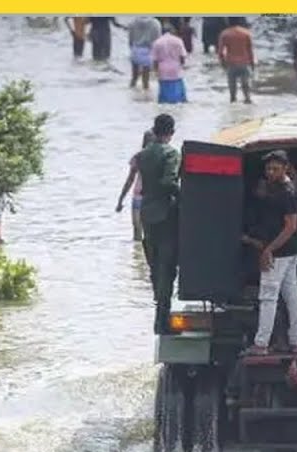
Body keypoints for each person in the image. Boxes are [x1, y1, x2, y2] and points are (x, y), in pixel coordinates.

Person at [242, 150, 297, 355]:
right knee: (291, 294)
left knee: (268, 296)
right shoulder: (279, 188)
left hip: (280, 252)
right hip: (289, 250)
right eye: (268, 168)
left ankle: (261, 343)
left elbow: (291, 226)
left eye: (275, 168)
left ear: (286, 168)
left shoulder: (287, 192)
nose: (270, 172)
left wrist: (268, 249)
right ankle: (296, 341)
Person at [136, 114, 182, 335]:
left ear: (154, 131)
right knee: (167, 267)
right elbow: (168, 181)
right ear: (171, 132)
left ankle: (159, 314)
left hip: (146, 213)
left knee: (154, 264)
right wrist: (183, 196)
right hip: (165, 215)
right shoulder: (171, 153)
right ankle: (162, 320)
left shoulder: (142, 155)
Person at [116, 130, 156, 245]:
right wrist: (120, 200)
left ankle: (141, 258)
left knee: (142, 230)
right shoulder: (138, 158)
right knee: (139, 230)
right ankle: (138, 258)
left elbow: (130, 180)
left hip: (147, 197)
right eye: (147, 140)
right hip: (141, 196)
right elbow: (130, 180)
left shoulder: (156, 157)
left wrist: (120, 200)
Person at [218, 17, 255, 104]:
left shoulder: (225, 34)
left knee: (232, 89)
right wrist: (252, 63)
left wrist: (223, 63)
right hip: (244, 63)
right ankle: (248, 101)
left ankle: (233, 103)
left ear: (228, 21)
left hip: (231, 63)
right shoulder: (246, 33)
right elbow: (250, 50)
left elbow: (220, 52)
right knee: (246, 86)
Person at [151, 25, 189, 104]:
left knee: (164, 95)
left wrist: (155, 71)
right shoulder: (178, 41)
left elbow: (155, 60)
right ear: (173, 31)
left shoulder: (157, 42)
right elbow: (182, 56)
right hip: (176, 69)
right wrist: (181, 65)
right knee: (179, 96)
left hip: (162, 70)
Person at [127, 16, 162, 90]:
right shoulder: (155, 23)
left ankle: (131, 93)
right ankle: (145, 96)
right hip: (147, 51)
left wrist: (132, 48)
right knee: (145, 80)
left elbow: (130, 38)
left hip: (135, 50)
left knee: (134, 77)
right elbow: (158, 40)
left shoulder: (133, 22)